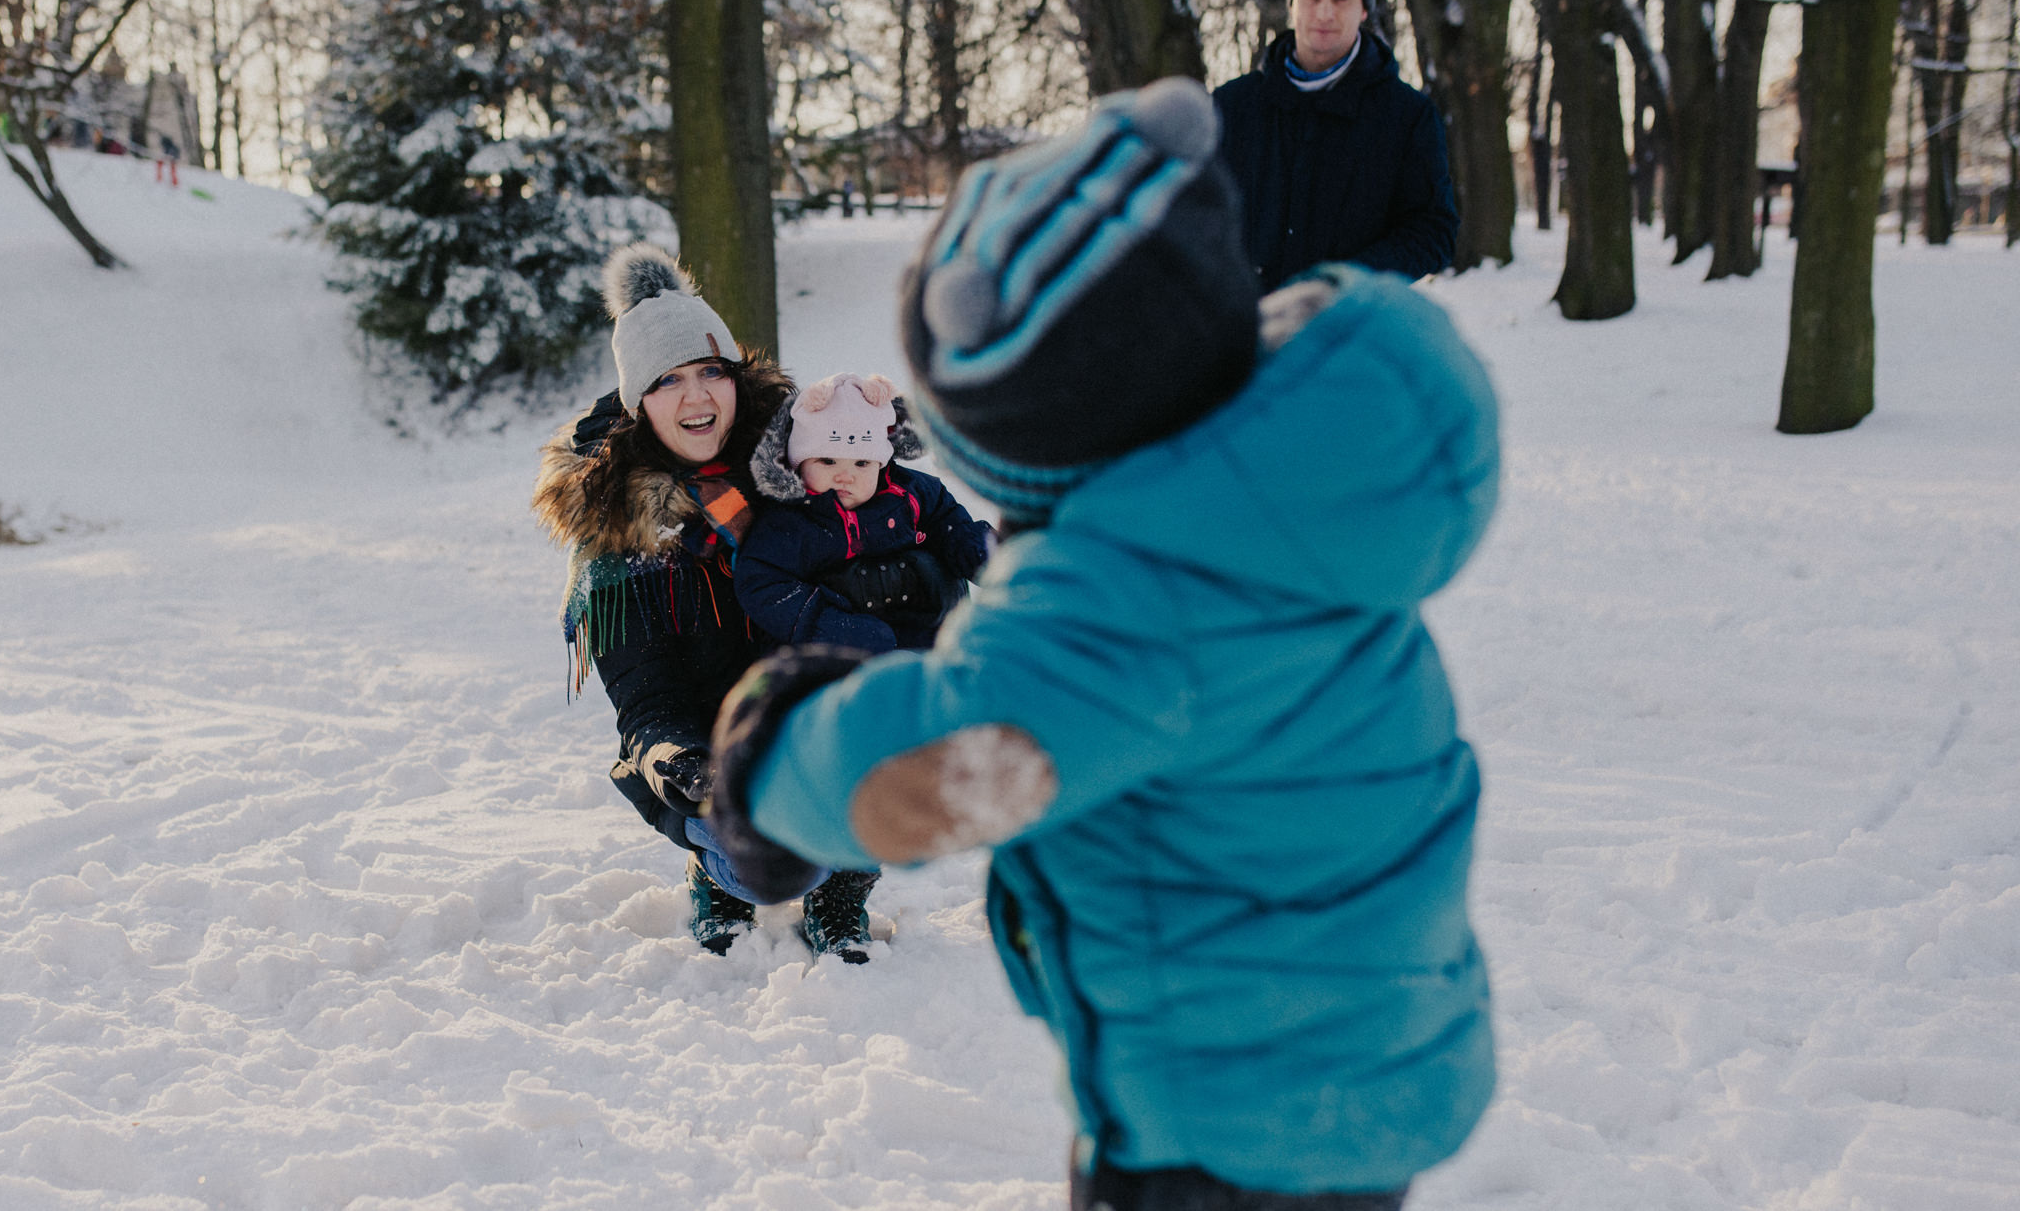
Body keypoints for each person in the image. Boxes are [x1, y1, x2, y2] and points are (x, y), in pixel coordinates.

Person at [702, 78, 1500, 1208]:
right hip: (1366, 1050)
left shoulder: (1138, 594)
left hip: (1218, 1116)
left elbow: (933, 764)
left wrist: (774, 758)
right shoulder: (1287, 482)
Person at [530, 242, 895, 962]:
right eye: (669, 381)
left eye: (710, 373)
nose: (697, 398)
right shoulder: (621, 531)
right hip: (713, 749)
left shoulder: (807, 470)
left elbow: (905, 549)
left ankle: (842, 885)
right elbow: (646, 695)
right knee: (750, 855)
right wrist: (679, 762)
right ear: (638, 402)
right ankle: (718, 874)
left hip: (811, 720)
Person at [1213, 0, 1458, 287]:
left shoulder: (1407, 117)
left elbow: (1432, 230)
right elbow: (1190, 212)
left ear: (1363, 9)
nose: (1324, 12)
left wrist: (1345, 283)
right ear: (1292, 4)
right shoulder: (1232, 107)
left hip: (1348, 329)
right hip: (1245, 332)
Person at [735, 371, 990, 654]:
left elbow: (948, 520)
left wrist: (980, 552)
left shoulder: (908, 493)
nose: (846, 476)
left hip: (925, 641)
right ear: (798, 464)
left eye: (862, 463)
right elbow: (762, 582)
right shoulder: (790, 522)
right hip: (839, 653)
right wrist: (829, 627)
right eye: (828, 460)